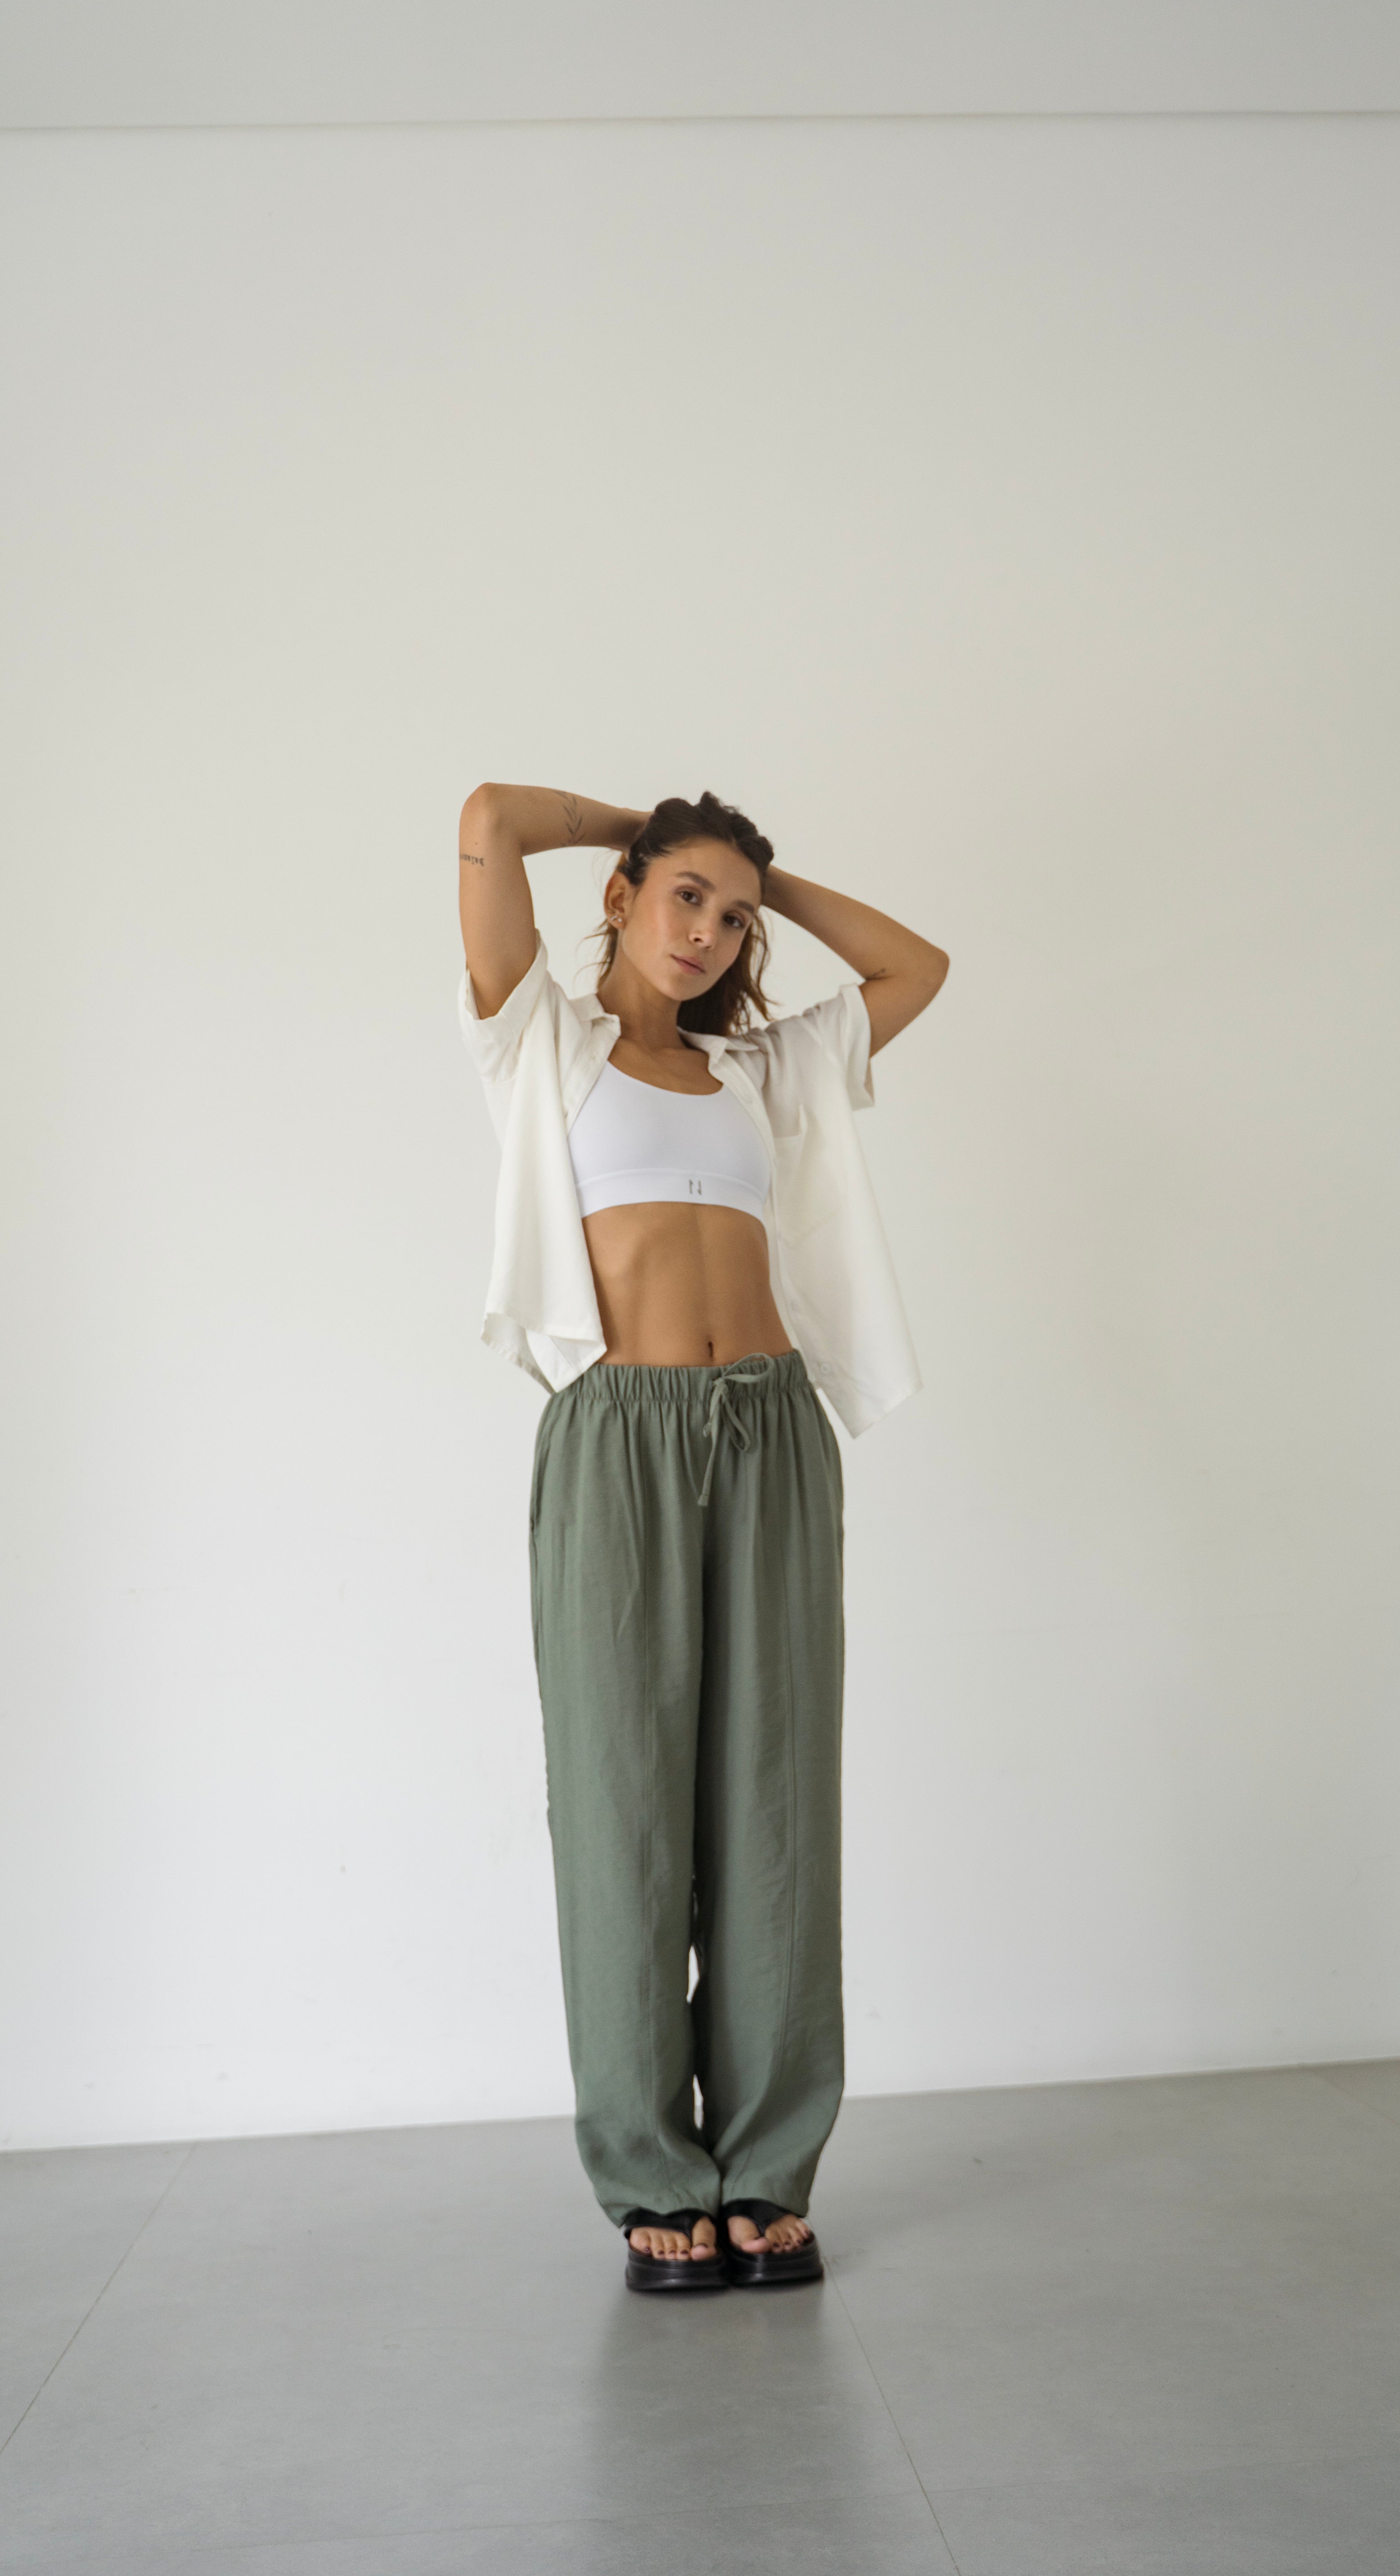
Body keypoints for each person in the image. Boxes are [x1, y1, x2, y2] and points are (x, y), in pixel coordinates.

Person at [457, 782, 947, 2292]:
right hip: (619, 1436)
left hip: (773, 1432)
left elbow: (917, 968)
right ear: (620, 895)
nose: (710, 932)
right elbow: (487, 817)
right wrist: (643, 828)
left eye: (732, 917)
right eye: (685, 898)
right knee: (624, 1804)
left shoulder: (760, 1068)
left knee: (774, 1803)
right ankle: (652, 2174)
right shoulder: (540, 1043)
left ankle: (766, 2166)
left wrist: (762, 884)